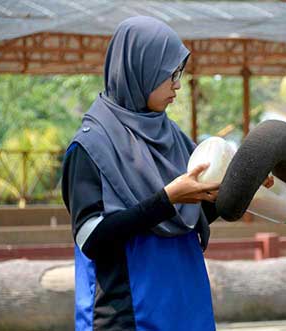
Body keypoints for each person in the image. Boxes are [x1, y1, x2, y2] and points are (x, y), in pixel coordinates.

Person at [62, 16, 220, 331]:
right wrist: (167, 199)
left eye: (180, 73)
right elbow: (92, 238)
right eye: (171, 74)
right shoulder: (91, 147)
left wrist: (245, 184)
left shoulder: (172, 136)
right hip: (130, 315)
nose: (177, 84)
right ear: (140, 69)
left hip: (188, 309)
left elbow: (198, 211)